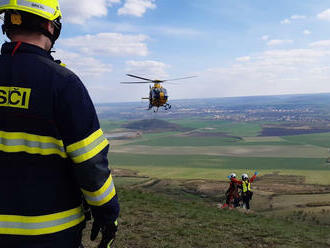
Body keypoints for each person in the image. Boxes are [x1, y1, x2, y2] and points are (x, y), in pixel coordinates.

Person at [0, 1, 119, 248]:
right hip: (51, 231)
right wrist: (107, 214)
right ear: (51, 26)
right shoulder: (63, 83)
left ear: (8, 23)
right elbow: (90, 163)